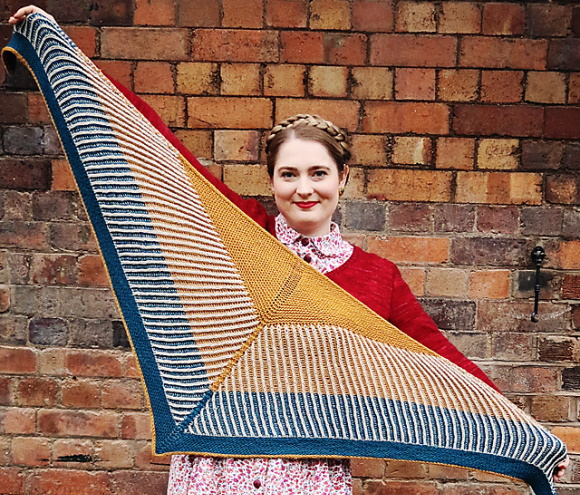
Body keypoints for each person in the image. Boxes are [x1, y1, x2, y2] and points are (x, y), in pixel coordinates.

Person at [8, 5, 570, 491]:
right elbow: (159, 148)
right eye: (289, 174)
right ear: (272, 179)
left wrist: (529, 433)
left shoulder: (376, 278)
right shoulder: (241, 234)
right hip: (213, 464)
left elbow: (444, 364)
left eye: (319, 173)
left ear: (343, 178)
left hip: (310, 469)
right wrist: (58, 46)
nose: (304, 188)